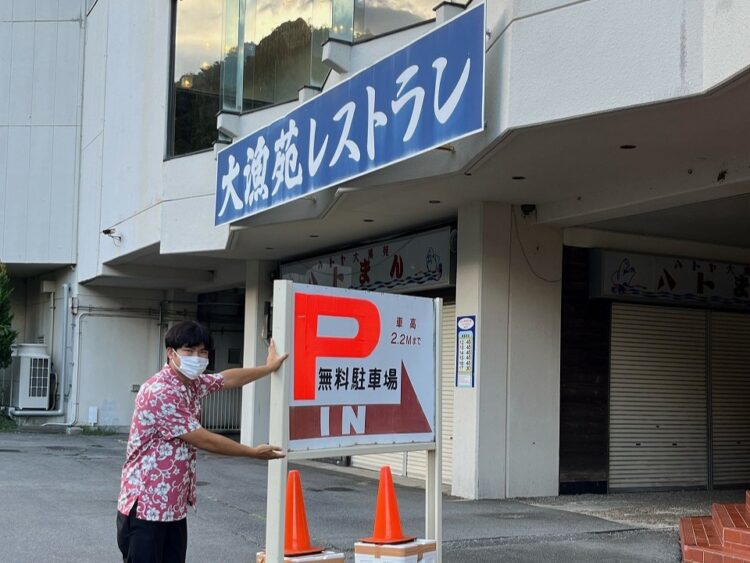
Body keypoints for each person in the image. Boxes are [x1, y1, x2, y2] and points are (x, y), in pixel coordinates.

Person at [116, 320, 287, 563]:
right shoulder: (160, 391)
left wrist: (268, 368)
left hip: (172, 509)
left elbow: (227, 379)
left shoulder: (190, 383)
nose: (197, 357)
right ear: (171, 353)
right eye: (189, 350)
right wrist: (252, 452)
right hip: (146, 509)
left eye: (203, 352)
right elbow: (204, 439)